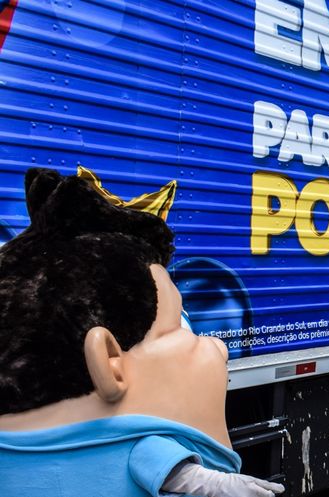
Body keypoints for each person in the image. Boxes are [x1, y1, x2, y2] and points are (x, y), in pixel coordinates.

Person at [0, 168, 283, 497]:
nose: (219, 347)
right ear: (109, 362)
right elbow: (190, 478)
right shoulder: (140, 452)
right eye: (179, 325)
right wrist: (223, 484)